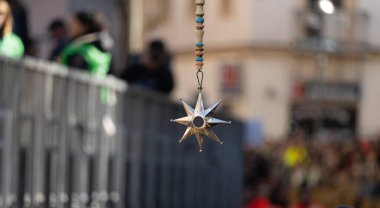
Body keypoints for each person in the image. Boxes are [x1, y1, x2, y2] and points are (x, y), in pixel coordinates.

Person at [60, 11, 113, 76]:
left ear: (83, 27)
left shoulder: (79, 51)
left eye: (74, 23)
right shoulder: (100, 50)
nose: (70, 26)